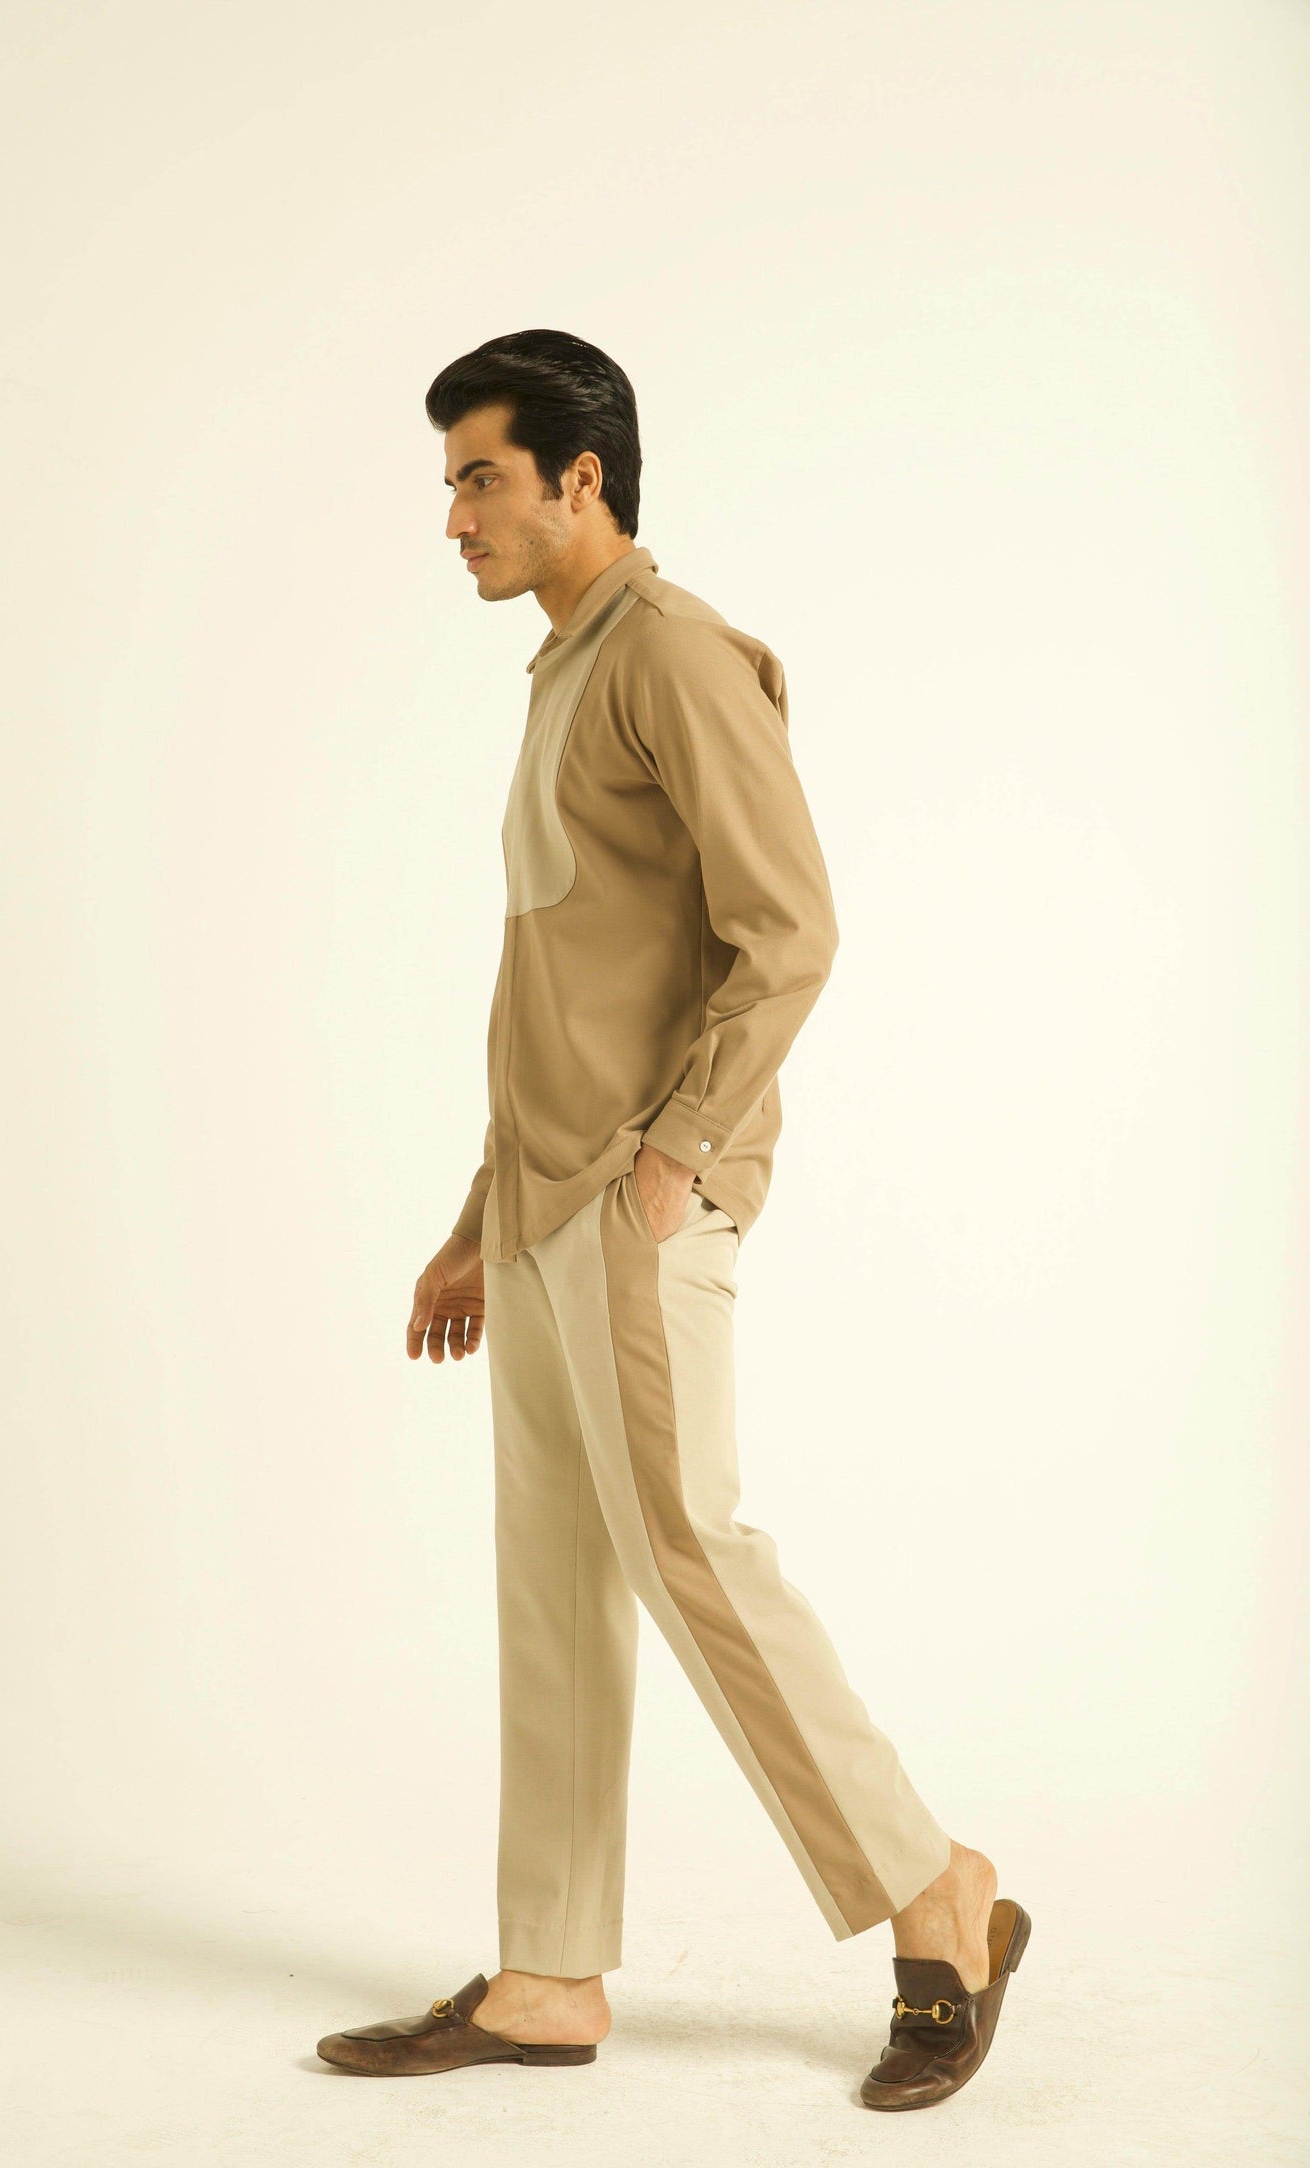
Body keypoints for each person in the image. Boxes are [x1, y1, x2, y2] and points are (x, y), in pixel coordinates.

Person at [315, 330, 1029, 2110]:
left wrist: (676, 1155)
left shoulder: (676, 656)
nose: (454, 518)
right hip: (545, 1199)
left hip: (637, 1196)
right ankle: (547, 1976)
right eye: (450, 484)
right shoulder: (566, 671)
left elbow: (788, 931)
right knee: (555, 1584)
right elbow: (564, 986)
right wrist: (480, 1213)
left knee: (688, 1550)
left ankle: (933, 1889)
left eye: (480, 478)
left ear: (582, 478)